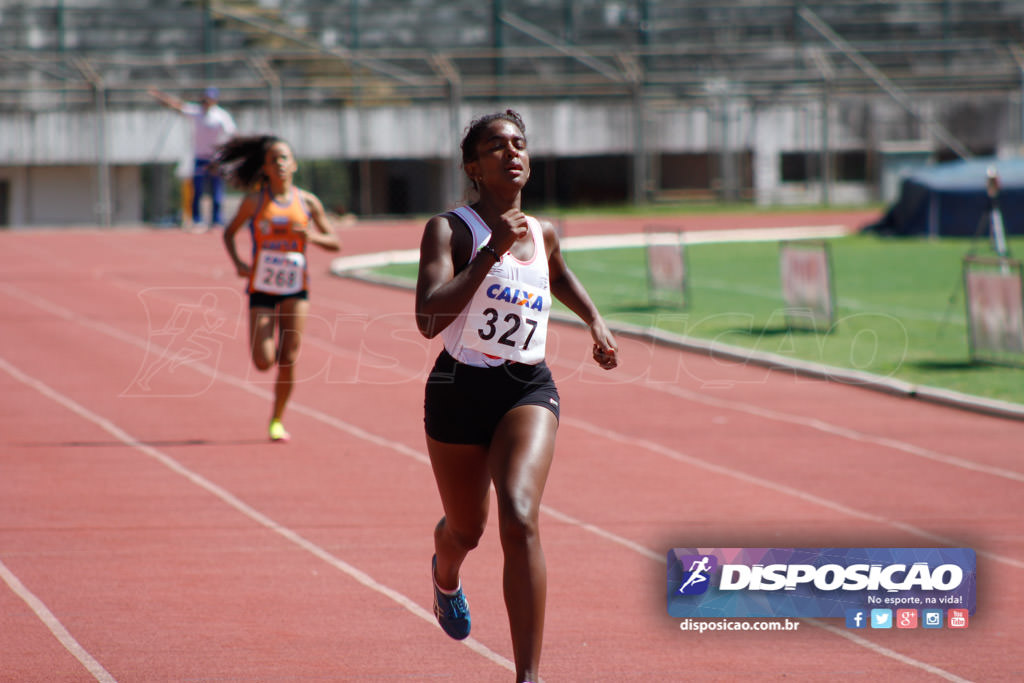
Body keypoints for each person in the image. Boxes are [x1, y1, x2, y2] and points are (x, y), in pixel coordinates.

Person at [414, 110, 618, 683]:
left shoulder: (544, 230)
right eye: (496, 146)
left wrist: (595, 321)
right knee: (466, 530)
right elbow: (429, 320)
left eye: (519, 143)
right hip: (458, 390)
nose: (512, 153)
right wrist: (489, 253)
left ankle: (528, 675)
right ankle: (445, 576)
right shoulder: (449, 229)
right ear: (473, 167)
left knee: (521, 517)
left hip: (527, 386)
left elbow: (557, 270)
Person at [219, 135, 341, 442]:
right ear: (265, 168)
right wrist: (238, 263)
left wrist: (311, 236)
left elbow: (334, 242)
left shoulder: (308, 202)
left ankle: (277, 419)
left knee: (289, 358)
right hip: (261, 286)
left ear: (294, 165)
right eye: (274, 160)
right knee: (263, 361)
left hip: (295, 288)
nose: (280, 164)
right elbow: (229, 233)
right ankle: (270, 368)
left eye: (285, 158)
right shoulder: (255, 201)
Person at [149, 86, 237, 232]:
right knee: (198, 190)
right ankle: (197, 220)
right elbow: (177, 106)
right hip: (200, 158)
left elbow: (232, 134)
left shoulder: (221, 116)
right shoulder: (196, 112)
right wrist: (160, 96)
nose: (207, 101)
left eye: (210, 98)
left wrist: (226, 154)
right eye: (205, 98)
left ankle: (217, 221)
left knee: (216, 192)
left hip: (215, 159)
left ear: (215, 100)